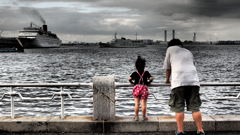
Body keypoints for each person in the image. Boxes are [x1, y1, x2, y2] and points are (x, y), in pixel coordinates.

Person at [163, 39, 205, 135]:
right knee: (195, 108)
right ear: (180, 45)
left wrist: (167, 80)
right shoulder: (188, 51)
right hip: (193, 81)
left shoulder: (170, 49)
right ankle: (200, 130)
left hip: (179, 81)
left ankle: (180, 131)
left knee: (179, 107)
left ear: (170, 45)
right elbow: (193, 65)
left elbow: (168, 67)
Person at [128, 56, 154, 121]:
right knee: (143, 104)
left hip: (136, 88)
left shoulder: (135, 73)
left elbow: (129, 79)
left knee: (136, 104)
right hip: (144, 89)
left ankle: (136, 117)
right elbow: (151, 78)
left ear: (136, 66)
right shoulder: (146, 72)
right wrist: (148, 82)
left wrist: (133, 83)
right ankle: (144, 117)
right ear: (144, 65)